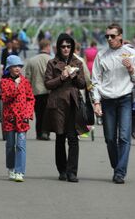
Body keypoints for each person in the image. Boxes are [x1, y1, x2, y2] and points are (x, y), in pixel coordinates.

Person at [91, 23, 135, 184]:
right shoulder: (101, 55)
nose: (109, 39)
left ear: (120, 36)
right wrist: (96, 101)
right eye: (107, 36)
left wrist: (130, 69)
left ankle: (120, 172)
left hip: (125, 98)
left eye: (112, 36)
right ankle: (117, 165)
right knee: (109, 138)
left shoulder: (131, 53)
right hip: (107, 100)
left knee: (124, 136)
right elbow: (95, 81)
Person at [44, 34, 88, 182]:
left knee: (73, 138)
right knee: (60, 137)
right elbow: (48, 84)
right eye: (63, 46)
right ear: (58, 47)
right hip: (58, 104)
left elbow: (83, 84)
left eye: (69, 46)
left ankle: (72, 171)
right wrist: (61, 78)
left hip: (73, 103)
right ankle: (62, 170)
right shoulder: (52, 62)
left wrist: (74, 76)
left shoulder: (78, 62)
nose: (66, 49)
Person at [1, 55, 35, 182]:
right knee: (10, 145)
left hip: (22, 118)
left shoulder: (25, 82)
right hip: (9, 118)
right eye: (14, 66)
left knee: (21, 145)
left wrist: (28, 113)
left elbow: (31, 98)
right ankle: (11, 167)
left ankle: (19, 171)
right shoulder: (4, 82)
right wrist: (15, 86)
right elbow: (6, 98)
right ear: (9, 68)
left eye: (19, 66)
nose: (17, 69)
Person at [24, 39, 53, 140]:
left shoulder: (32, 60)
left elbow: (27, 78)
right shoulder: (52, 60)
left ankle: (39, 133)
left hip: (36, 92)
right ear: (48, 46)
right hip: (49, 91)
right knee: (48, 114)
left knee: (39, 114)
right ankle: (46, 132)